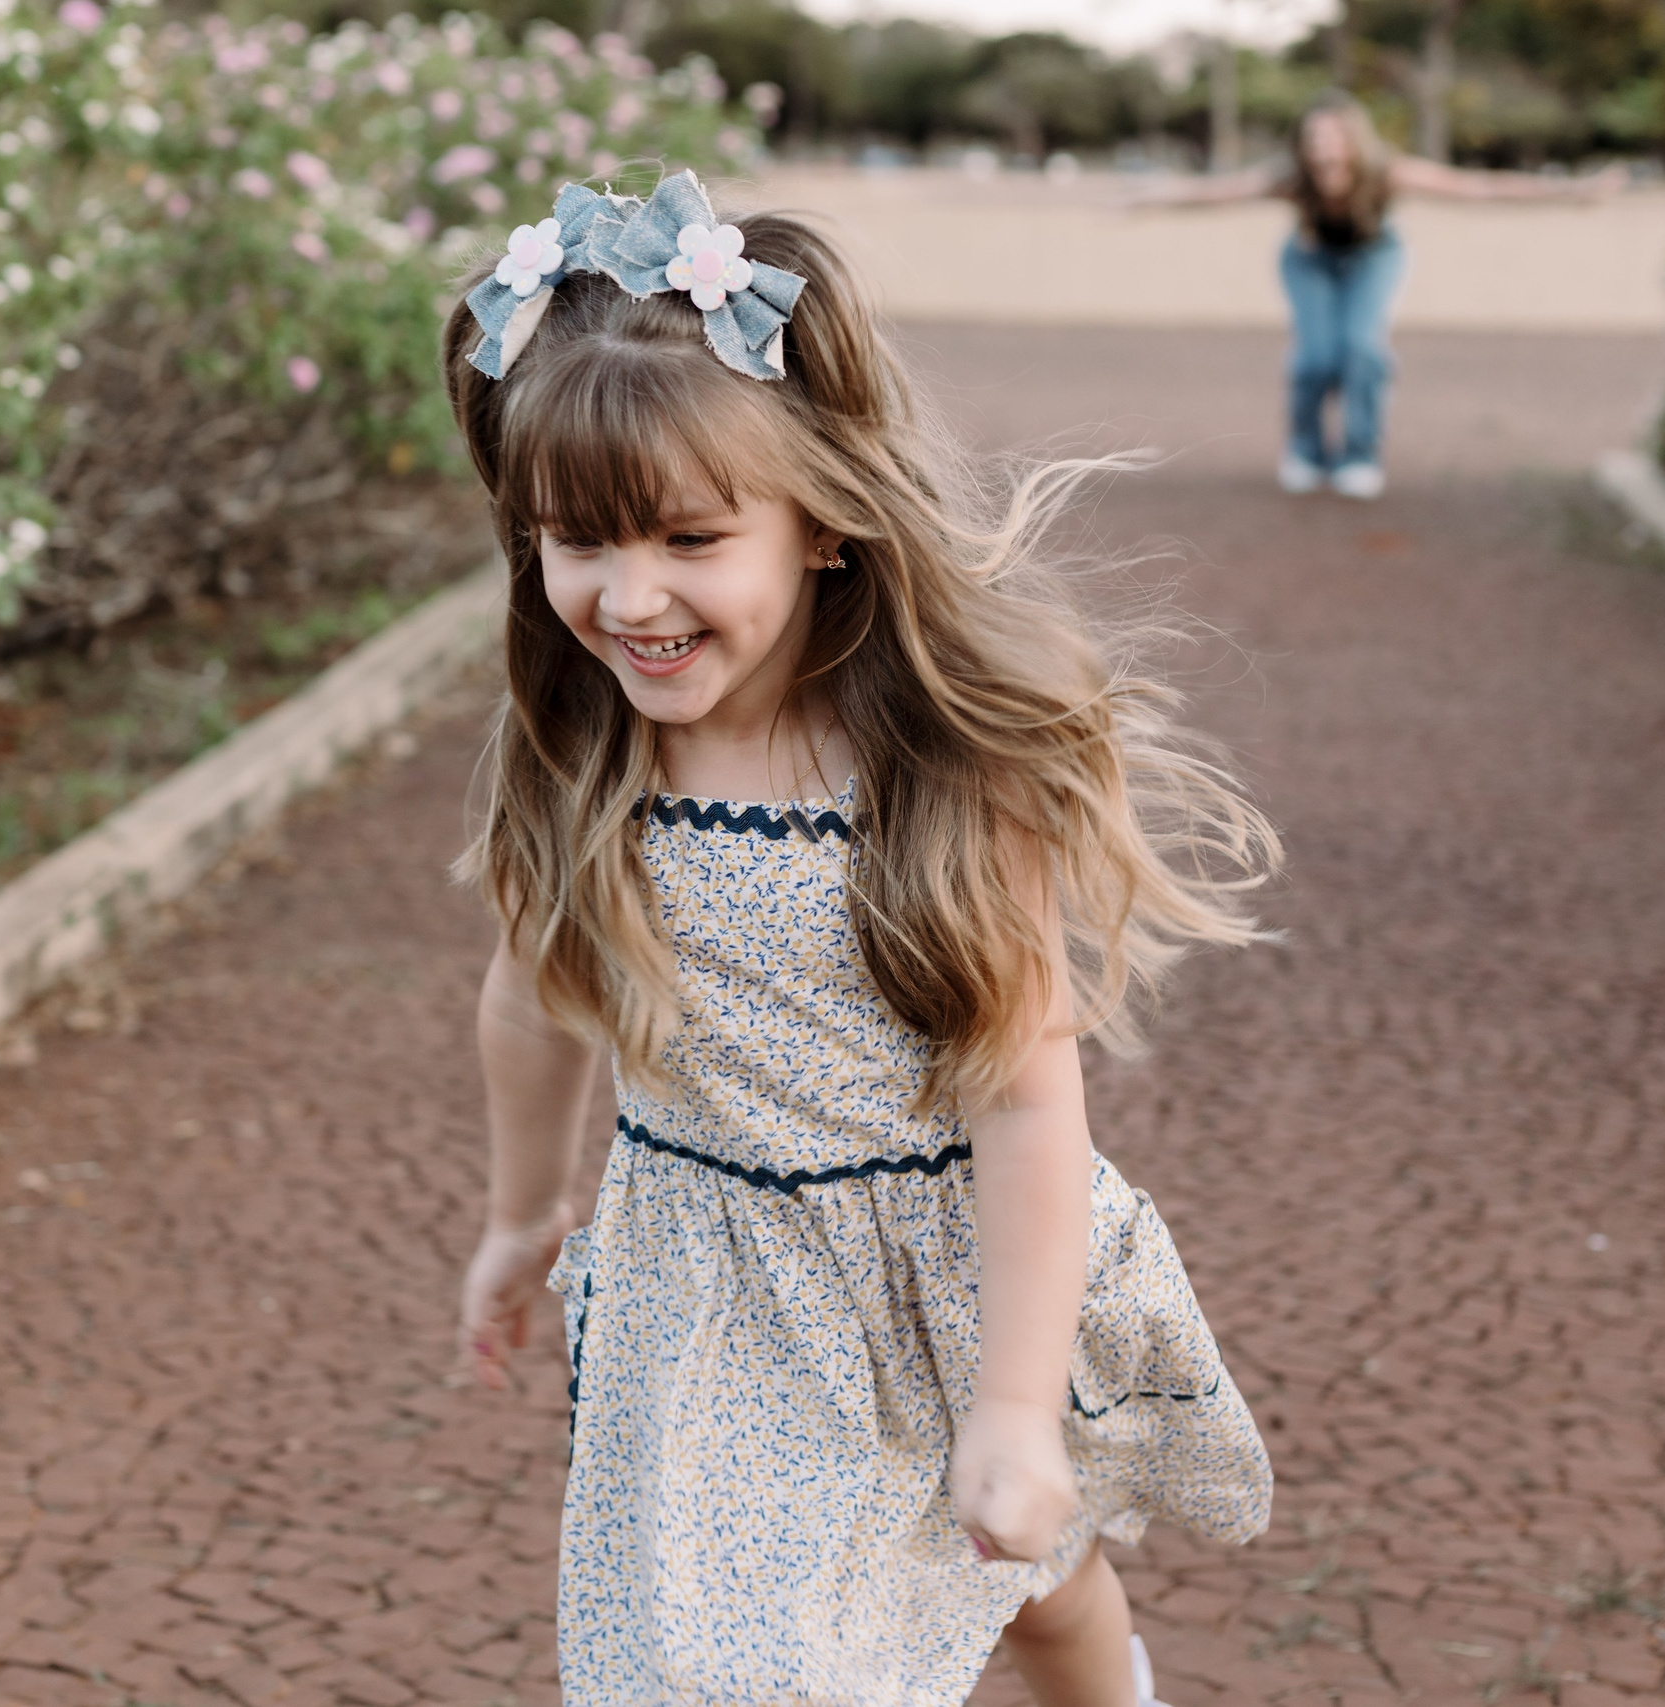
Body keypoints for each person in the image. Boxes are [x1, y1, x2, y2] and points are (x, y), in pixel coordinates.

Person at [444, 167, 1279, 1707]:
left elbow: (1026, 1095)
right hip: (711, 1298)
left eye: (692, 538)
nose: (630, 597)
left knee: (1032, 1580)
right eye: (575, 541)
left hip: (951, 1268)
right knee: (727, 1658)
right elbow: (530, 996)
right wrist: (519, 1210)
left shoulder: (932, 780)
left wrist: (1021, 1406)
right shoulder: (578, 759)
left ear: (823, 520)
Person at [1136, 91, 1624, 499]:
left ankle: (1359, 454)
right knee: (1315, 360)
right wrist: (1146, 201)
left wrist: (1574, 192)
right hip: (1309, 262)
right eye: (1315, 141)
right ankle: (1306, 450)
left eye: (1336, 139)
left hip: (1375, 259)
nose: (1325, 151)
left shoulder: (1388, 173)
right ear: (1303, 147)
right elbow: (1216, 193)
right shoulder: (1292, 179)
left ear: (1355, 142)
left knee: (1362, 350)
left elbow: (1479, 188)